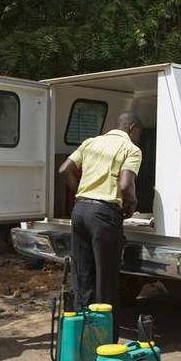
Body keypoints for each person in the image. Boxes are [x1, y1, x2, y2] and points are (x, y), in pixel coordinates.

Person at [58, 112, 143, 343]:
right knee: (106, 281)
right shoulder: (131, 149)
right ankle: (104, 342)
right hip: (104, 216)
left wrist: (79, 193)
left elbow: (64, 169)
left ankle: (81, 339)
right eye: (138, 134)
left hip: (80, 212)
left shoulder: (90, 142)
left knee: (82, 276)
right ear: (132, 128)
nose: (138, 138)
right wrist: (132, 203)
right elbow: (126, 186)